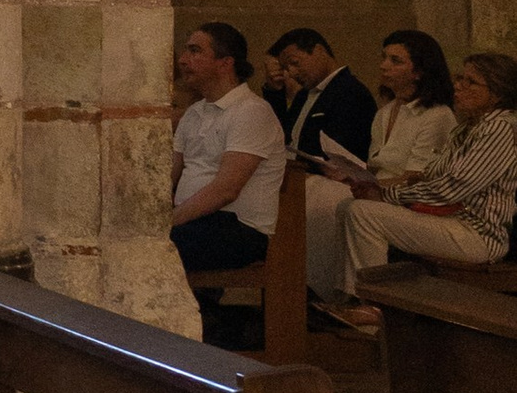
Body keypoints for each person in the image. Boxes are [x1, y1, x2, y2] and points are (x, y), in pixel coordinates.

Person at [322, 49, 517, 329]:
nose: (458, 86)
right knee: (350, 206)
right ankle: (356, 301)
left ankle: (373, 312)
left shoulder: (498, 126)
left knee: (364, 213)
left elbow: (453, 188)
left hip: (477, 233)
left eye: (470, 82)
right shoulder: (468, 128)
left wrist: (388, 195)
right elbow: (431, 175)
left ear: (497, 93)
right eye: (459, 78)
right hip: (452, 222)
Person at [300, 26, 455, 300]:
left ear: (418, 71)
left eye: (396, 61)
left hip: (409, 199)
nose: (384, 66)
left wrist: (370, 184)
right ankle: (317, 286)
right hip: (379, 189)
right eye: (384, 57)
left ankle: (358, 295)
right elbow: (375, 165)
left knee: (344, 205)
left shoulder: (436, 115)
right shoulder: (385, 113)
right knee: (314, 187)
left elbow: (417, 177)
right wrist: (346, 171)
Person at [168, 19, 289, 340]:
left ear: (225, 63)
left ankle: (180, 339)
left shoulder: (251, 112)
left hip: (238, 228)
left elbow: (226, 190)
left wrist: (167, 222)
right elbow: (169, 176)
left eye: (195, 51)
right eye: (185, 50)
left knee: (154, 249)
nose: (183, 59)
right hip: (196, 221)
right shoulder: (194, 114)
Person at [268, 26, 375, 165]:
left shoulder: (350, 93)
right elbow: (281, 135)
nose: (292, 73)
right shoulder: (303, 96)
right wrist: (275, 92)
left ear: (319, 51)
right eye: (286, 68)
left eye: (295, 63)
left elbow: (339, 152)